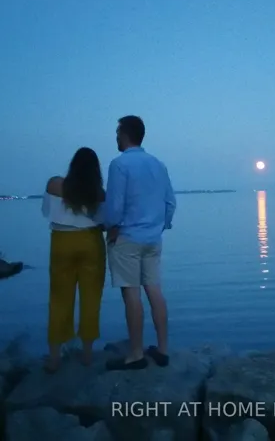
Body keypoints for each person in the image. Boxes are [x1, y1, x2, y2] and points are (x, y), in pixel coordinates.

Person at [103, 115, 176, 370]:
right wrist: (160, 225)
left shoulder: (119, 164)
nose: (115, 137)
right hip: (153, 238)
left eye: (117, 133)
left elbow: (115, 204)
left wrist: (111, 227)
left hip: (128, 237)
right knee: (154, 290)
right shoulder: (158, 164)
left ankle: (136, 354)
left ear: (125, 135)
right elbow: (170, 202)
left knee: (131, 294)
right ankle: (163, 350)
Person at [40, 147, 107, 373]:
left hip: (62, 242)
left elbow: (45, 211)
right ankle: (87, 355)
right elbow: (104, 222)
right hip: (91, 242)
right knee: (91, 299)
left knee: (59, 299)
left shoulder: (54, 185)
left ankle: (55, 357)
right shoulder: (98, 193)